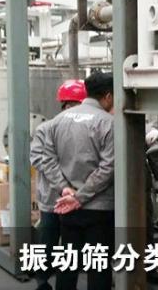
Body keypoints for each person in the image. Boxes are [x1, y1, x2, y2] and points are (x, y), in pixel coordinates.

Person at [42, 72, 115, 290]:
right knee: (98, 266)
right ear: (108, 96)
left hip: (67, 206)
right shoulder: (109, 123)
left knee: (68, 261)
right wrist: (80, 197)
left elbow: (48, 161)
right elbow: (108, 168)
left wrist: (66, 190)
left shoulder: (57, 121)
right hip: (99, 208)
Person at [30, 80, 87, 290]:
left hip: (77, 198)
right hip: (53, 198)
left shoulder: (87, 129)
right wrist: (63, 181)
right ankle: (42, 280)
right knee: (48, 240)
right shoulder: (46, 129)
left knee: (73, 244)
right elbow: (38, 158)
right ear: (66, 105)